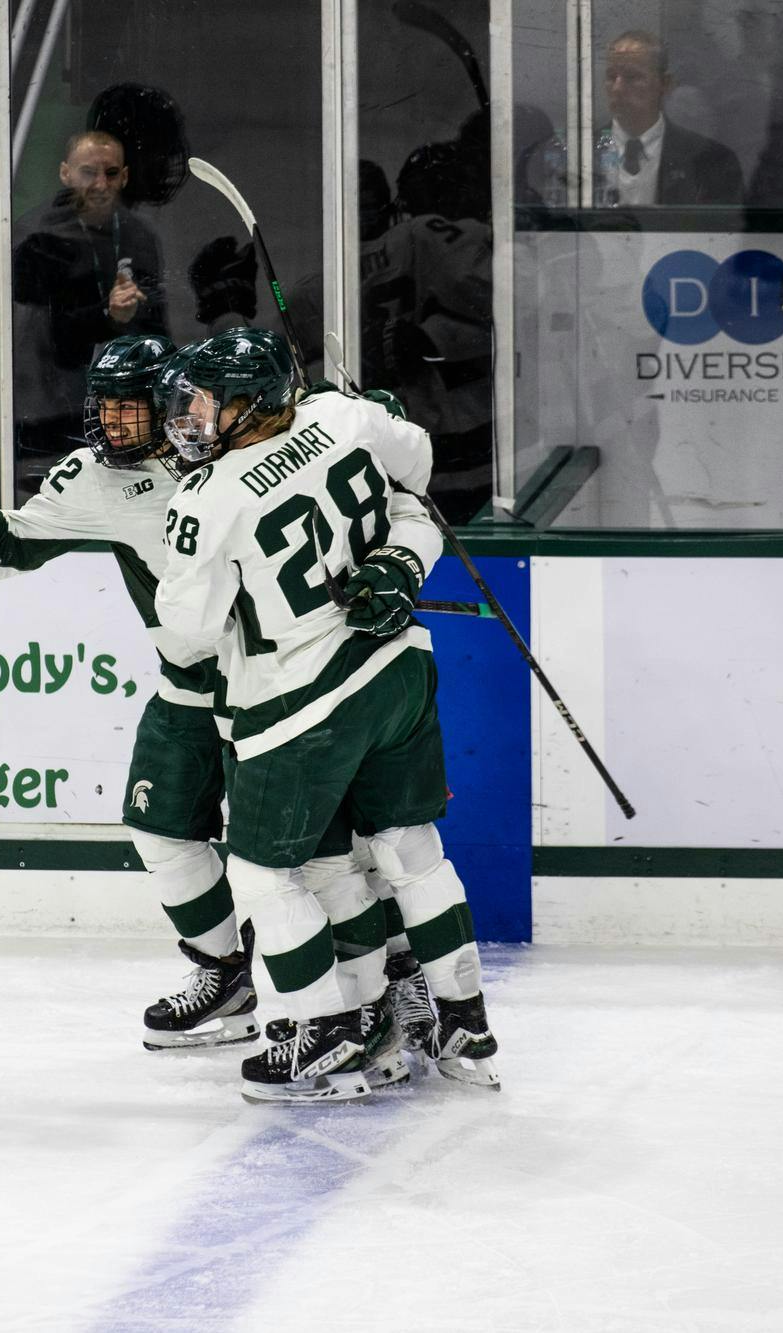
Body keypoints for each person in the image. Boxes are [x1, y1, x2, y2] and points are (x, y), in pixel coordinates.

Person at [153, 328, 499, 1104]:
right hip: (398, 669)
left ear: (254, 404)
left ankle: (325, 1030)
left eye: (209, 403)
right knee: (409, 848)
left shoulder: (206, 499)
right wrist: (397, 562)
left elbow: (188, 635)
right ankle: (463, 1019)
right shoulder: (344, 415)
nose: (193, 418)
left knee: (263, 873)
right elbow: (420, 467)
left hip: (299, 704)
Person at [0, 335, 268, 1054]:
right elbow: (6, 553)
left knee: (312, 849)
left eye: (128, 407)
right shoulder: (95, 480)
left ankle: (387, 980)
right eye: (102, 406)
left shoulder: (231, 441)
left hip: (278, 678)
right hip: (190, 682)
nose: (111, 422)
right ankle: (224, 971)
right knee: (162, 828)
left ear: (169, 402)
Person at [11, 129, 167, 493]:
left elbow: (156, 324)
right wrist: (108, 316)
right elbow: (41, 337)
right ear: (65, 173)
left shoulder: (139, 235)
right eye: (88, 172)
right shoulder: (37, 236)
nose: (101, 184)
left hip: (120, 404)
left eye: (111, 173)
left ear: (124, 176)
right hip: (50, 405)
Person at [364, 141, 495, 524]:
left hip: (411, 450)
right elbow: (513, 299)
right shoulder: (438, 237)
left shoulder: (352, 259)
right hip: (476, 448)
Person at [599, 29, 742, 207]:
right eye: (611, 77)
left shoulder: (711, 161)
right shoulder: (577, 153)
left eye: (632, 77)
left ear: (665, 84)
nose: (617, 88)